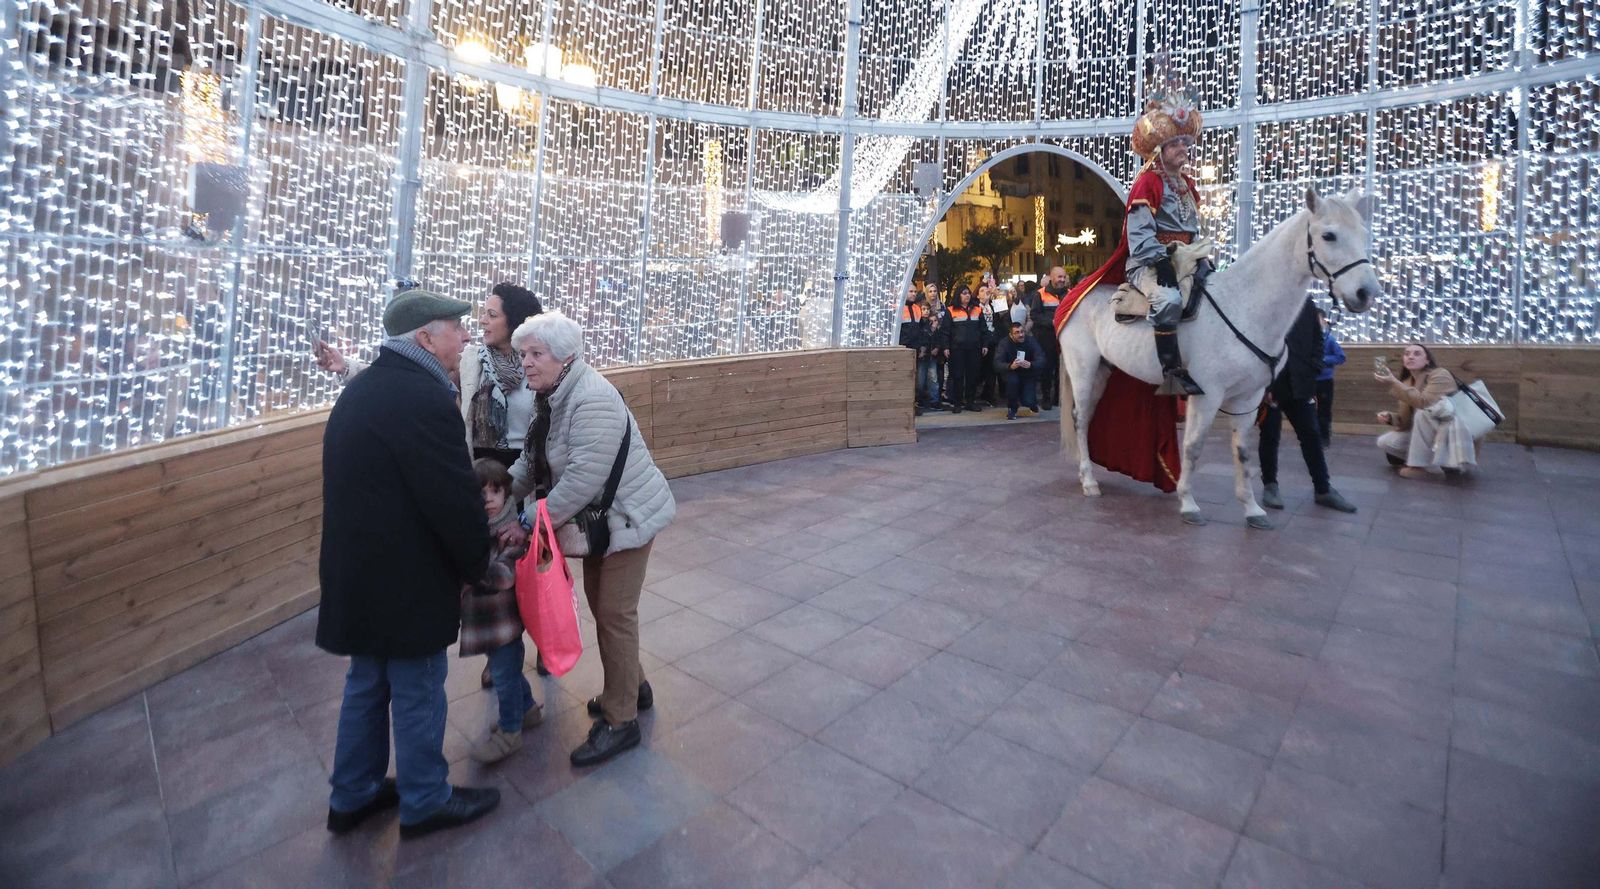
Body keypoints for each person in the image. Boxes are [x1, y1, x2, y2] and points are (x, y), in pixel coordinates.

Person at [317, 290, 500, 839]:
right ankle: (424, 800)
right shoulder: (422, 398)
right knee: (418, 687)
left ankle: (353, 794)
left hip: (360, 575)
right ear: (425, 337)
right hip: (407, 580)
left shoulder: (367, 388)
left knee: (367, 683)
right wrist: (478, 563)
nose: (465, 338)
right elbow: (451, 498)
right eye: (455, 329)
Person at [318, 282, 548, 684]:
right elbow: (401, 376)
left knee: (529, 570)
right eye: (481, 314)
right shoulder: (473, 359)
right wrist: (348, 368)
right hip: (481, 477)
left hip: (524, 478)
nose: (480, 322)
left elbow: (547, 422)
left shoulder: (535, 362)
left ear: (514, 320)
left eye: (492, 314)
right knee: (490, 579)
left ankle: (545, 644)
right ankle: (501, 654)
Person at [507, 311, 677, 766]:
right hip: (604, 523)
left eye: (536, 354)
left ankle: (621, 722)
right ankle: (633, 688)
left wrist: (527, 520)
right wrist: (496, 492)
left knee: (614, 613)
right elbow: (530, 461)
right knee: (607, 609)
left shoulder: (591, 398)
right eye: (523, 353)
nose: (526, 362)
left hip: (628, 519)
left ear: (565, 357)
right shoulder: (551, 397)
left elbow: (583, 478)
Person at [460, 458, 543, 765]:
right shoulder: (477, 532)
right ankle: (528, 710)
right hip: (488, 623)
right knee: (505, 672)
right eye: (481, 494)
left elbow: (505, 575)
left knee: (504, 677)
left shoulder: (510, 533)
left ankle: (510, 732)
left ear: (507, 495)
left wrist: (471, 566)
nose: (487, 500)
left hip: (505, 625)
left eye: (494, 492)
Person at [1258, 299, 1358, 513]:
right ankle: (1270, 486)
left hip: (1301, 383)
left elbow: (1317, 339)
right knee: (1269, 436)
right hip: (1272, 386)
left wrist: (1313, 369)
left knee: (1311, 435)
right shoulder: (1266, 301)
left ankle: (1323, 489)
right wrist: (1263, 384)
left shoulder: (1306, 304)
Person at [1375, 343, 1473, 478]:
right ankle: (1439, 461)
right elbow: (1406, 422)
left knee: (1424, 412)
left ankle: (1420, 466)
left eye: (1417, 353)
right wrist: (1390, 417)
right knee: (1385, 442)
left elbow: (1425, 403)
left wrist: (1394, 382)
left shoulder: (1440, 374)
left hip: (1451, 431)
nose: (1410, 357)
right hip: (1427, 432)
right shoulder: (1408, 382)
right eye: (1407, 354)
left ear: (1427, 360)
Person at [942, 284, 988, 413]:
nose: (967, 295)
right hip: (957, 349)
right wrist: (945, 347)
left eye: (968, 293)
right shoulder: (950, 310)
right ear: (958, 295)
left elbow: (983, 329)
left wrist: (984, 344)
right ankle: (957, 403)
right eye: (963, 293)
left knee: (972, 376)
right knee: (957, 376)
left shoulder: (977, 309)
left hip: (974, 348)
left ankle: (970, 402)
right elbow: (945, 331)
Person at [1028, 269, 1067, 409]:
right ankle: (1046, 398)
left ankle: (1058, 397)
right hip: (1046, 337)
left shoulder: (1069, 294)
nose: (1062, 279)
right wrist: (1052, 322)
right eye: (1059, 277)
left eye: (1064, 276)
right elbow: (1035, 315)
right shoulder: (1040, 294)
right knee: (1047, 368)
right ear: (1052, 277)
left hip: (1063, 337)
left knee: (1061, 368)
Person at [993, 323, 1041, 420]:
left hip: (1027, 372)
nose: (1021, 335)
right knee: (1013, 382)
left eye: (1022, 332)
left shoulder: (1031, 341)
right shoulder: (1004, 343)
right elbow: (997, 363)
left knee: (1028, 401)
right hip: (1011, 372)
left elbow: (1041, 358)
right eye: (1017, 333)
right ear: (1011, 335)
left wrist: (1031, 364)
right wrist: (1010, 366)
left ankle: (1031, 403)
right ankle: (1012, 408)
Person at [898, 287, 934, 414]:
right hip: (902, 349)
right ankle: (903, 405)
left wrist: (922, 347)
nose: (913, 294)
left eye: (915, 292)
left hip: (915, 349)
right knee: (902, 378)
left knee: (914, 379)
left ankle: (912, 405)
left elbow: (922, 330)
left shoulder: (917, 309)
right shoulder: (897, 308)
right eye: (911, 291)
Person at [1315, 308, 1346, 449]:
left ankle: (1324, 437)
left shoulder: (1329, 339)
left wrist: (1323, 360)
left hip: (1324, 381)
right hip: (1307, 380)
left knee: (1324, 410)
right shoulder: (1304, 341)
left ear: (1325, 322)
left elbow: (1341, 357)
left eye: (1318, 319)